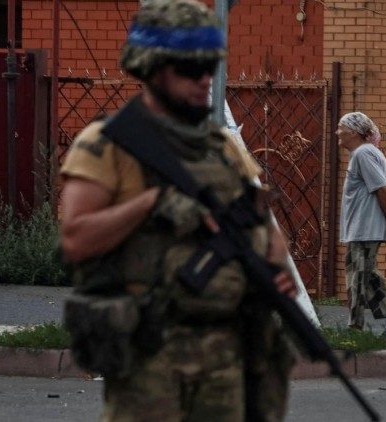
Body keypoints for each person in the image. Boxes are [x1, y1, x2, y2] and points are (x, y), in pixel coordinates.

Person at [58, 0, 297, 420]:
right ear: (152, 67)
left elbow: (268, 232)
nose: (205, 78)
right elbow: (76, 239)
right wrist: (152, 202)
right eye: (190, 68)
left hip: (227, 353)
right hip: (153, 353)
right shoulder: (108, 143)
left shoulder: (221, 149)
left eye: (209, 65)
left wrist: (273, 271)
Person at [337, 111, 386, 338]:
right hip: (363, 228)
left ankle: (355, 329)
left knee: (357, 278)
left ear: (353, 132)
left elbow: (383, 188)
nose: (337, 133)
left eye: (341, 128)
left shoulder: (363, 153)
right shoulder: (370, 153)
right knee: (367, 275)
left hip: (364, 228)